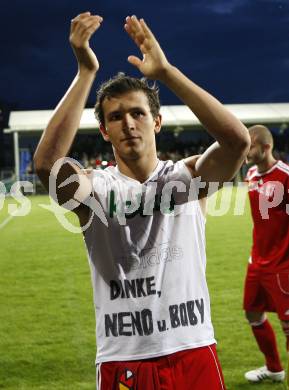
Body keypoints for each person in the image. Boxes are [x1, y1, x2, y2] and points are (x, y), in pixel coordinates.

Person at [34, 12, 250, 390]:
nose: (129, 123)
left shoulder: (187, 178)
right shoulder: (96, 188)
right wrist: (86, 71)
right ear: (103, 130)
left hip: (193, 348)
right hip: (126, 358)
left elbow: (237, 142)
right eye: (116, 117)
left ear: (157, 122)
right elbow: (48, 166)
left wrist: (165, 72)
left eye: (138, 113)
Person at [243, 125, 289, 384]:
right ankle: (274, 369)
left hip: (283, 264)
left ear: (266, 147)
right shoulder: (250, 173)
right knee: (252, 313)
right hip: (257, 262)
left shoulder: (285, 176)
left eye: (249, 146)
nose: (245, 151)